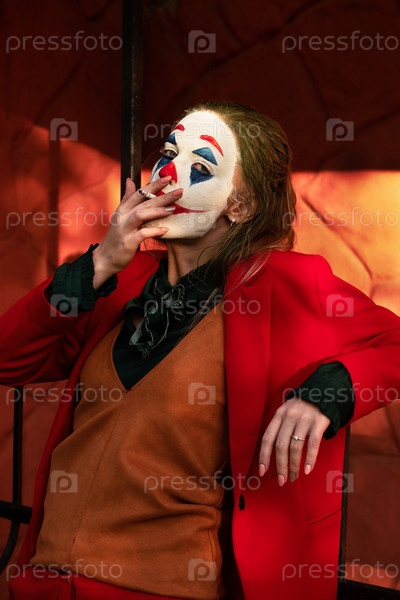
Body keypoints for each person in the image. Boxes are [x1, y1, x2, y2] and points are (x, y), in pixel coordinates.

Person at [1, 101, 400, 600]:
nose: (168, 174)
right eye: (169, 154)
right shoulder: (119, 281)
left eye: (201, 166)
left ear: (242, 206)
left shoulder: (287, 283)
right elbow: (9, 359)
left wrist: (326, 393)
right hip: (43, 583)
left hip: (165, 588)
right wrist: (100, 264)